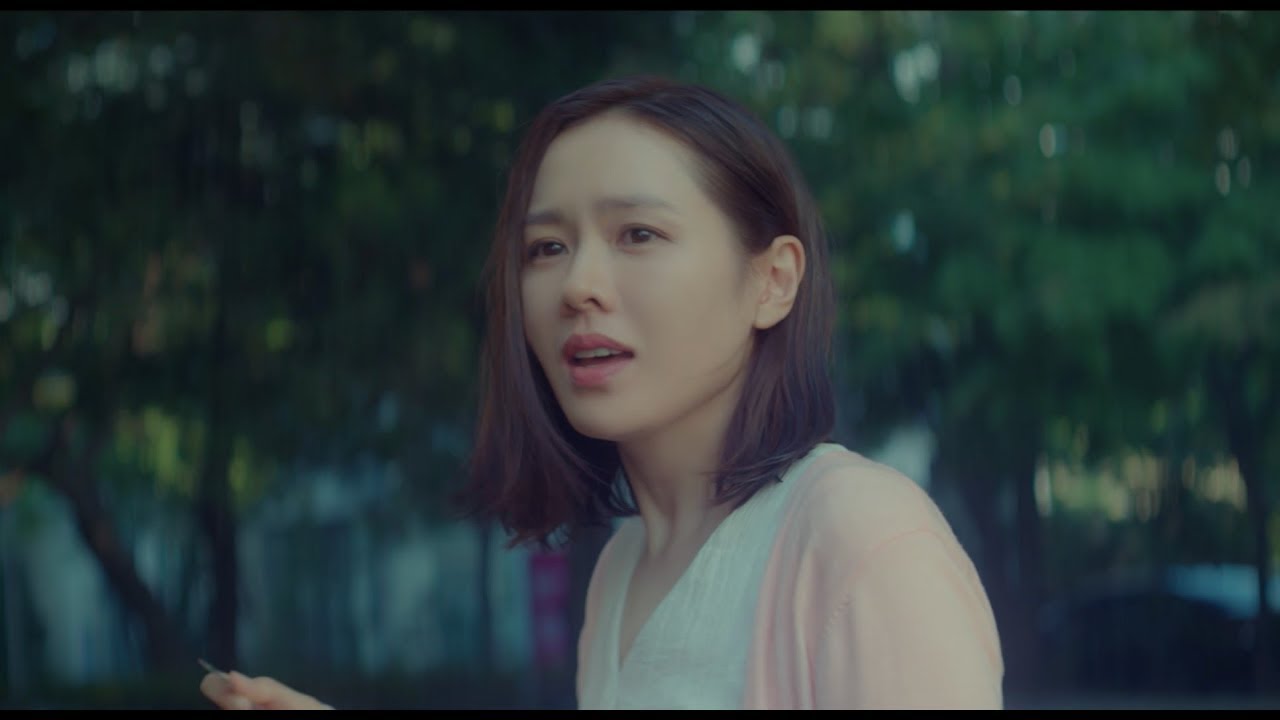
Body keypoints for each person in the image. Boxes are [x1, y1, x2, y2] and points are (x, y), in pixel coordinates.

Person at [200, 75, 1004, 710]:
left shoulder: (859, 538)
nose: (578, 284)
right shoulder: (620, 573)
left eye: (638, 234)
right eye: (546, 247)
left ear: (773, 281)